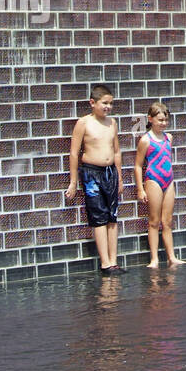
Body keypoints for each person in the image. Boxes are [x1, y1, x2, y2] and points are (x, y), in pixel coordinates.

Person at [65, 84, 123, 274]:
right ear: (92, 103)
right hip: (91, 172)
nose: (108, 107)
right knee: (98, 216)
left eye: (111, 103)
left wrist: (120, 178)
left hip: (110, 172)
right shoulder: (84, 123)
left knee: (112, 216)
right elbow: (74, 153)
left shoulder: (112, 123)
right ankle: (105, 262)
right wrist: (74, 181)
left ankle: (114, 260)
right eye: (104, 103)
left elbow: (116, 151)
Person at [134, 102, 186, 268]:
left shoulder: (168, 138)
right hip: (153, 180)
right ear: (150, 119)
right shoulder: (146, 140)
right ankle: (155, 258)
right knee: (154, 221)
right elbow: (137, 165)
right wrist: (140, 189)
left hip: (168, 180)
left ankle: (171, 256)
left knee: (168, 221)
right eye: (160, 120)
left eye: (165, 120)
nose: (163, 123)